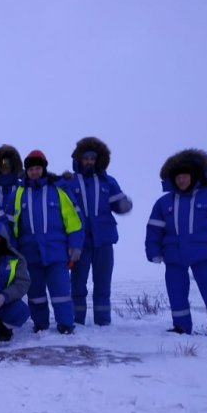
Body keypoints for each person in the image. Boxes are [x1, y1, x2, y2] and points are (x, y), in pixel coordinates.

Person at [145, 149, 207, 337]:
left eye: (185, 176)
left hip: (204, 253)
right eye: (178, 177)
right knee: (176, 292)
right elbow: (154, 230)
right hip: (173, 255)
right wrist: (153, 250)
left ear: (193, 176)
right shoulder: (164, 203)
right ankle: (181, 327)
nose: (181, 180)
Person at [12, 150, 83, 334]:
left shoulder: (58, 190)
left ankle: (66, 325)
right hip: (29, 254)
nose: (34, 172)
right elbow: (11, 224)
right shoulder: (19, 193)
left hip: (56, 253)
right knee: (35, 295)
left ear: (43, 169)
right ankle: (41, 325)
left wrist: (75, 246)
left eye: (37, 168)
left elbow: (74, 221)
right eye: (31, 169)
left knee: (60, 293)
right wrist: (11, 248)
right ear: (26, 171)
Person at [65, 137, 133, 326]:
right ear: (79, 159)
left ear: (98, 160)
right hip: (80, 244)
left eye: (92, 159)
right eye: (86, 158)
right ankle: (77, 322)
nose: (89, 162)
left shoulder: (108, 182)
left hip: (104, 241)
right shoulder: (69, 183)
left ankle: (103, 323)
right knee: (77, 287)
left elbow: (119, 204)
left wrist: (124, 205)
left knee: (103, 286)